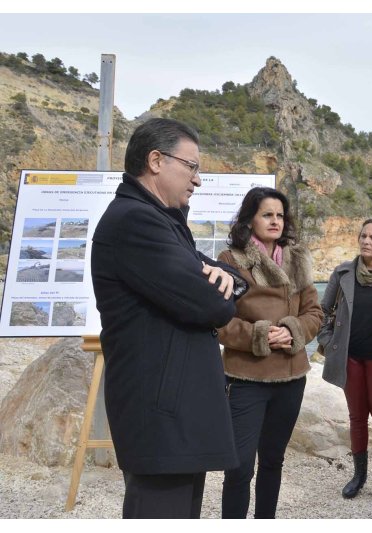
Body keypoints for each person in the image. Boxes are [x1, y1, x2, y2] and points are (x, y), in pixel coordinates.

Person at [91, 118, 247, 518]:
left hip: (174, 414)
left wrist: (224, 279)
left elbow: (238, 281)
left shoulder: (163, 223)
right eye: (192, 166)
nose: (197, 180)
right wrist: (219, 287)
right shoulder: (136, 222)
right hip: (161, 415)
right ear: (156, 161)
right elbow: (214, 305)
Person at [216, 187, 323, 519]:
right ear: (250, 219)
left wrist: (291, 330)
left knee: (273, 460)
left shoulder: (298, 258)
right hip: (247, 378)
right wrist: (261, 335)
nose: (275, 221)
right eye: (267, 214)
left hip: (291, 378)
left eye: (279, 215)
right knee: (239, 467)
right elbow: (219, 321)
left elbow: (316, 314)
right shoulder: (230, 260)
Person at [318, 217, 372, 504]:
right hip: (351, 357)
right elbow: (323, 310)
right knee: (357, 417)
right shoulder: (343, 271)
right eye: (363, 236)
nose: (366, 241)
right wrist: (326, 341)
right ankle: (359, 476)